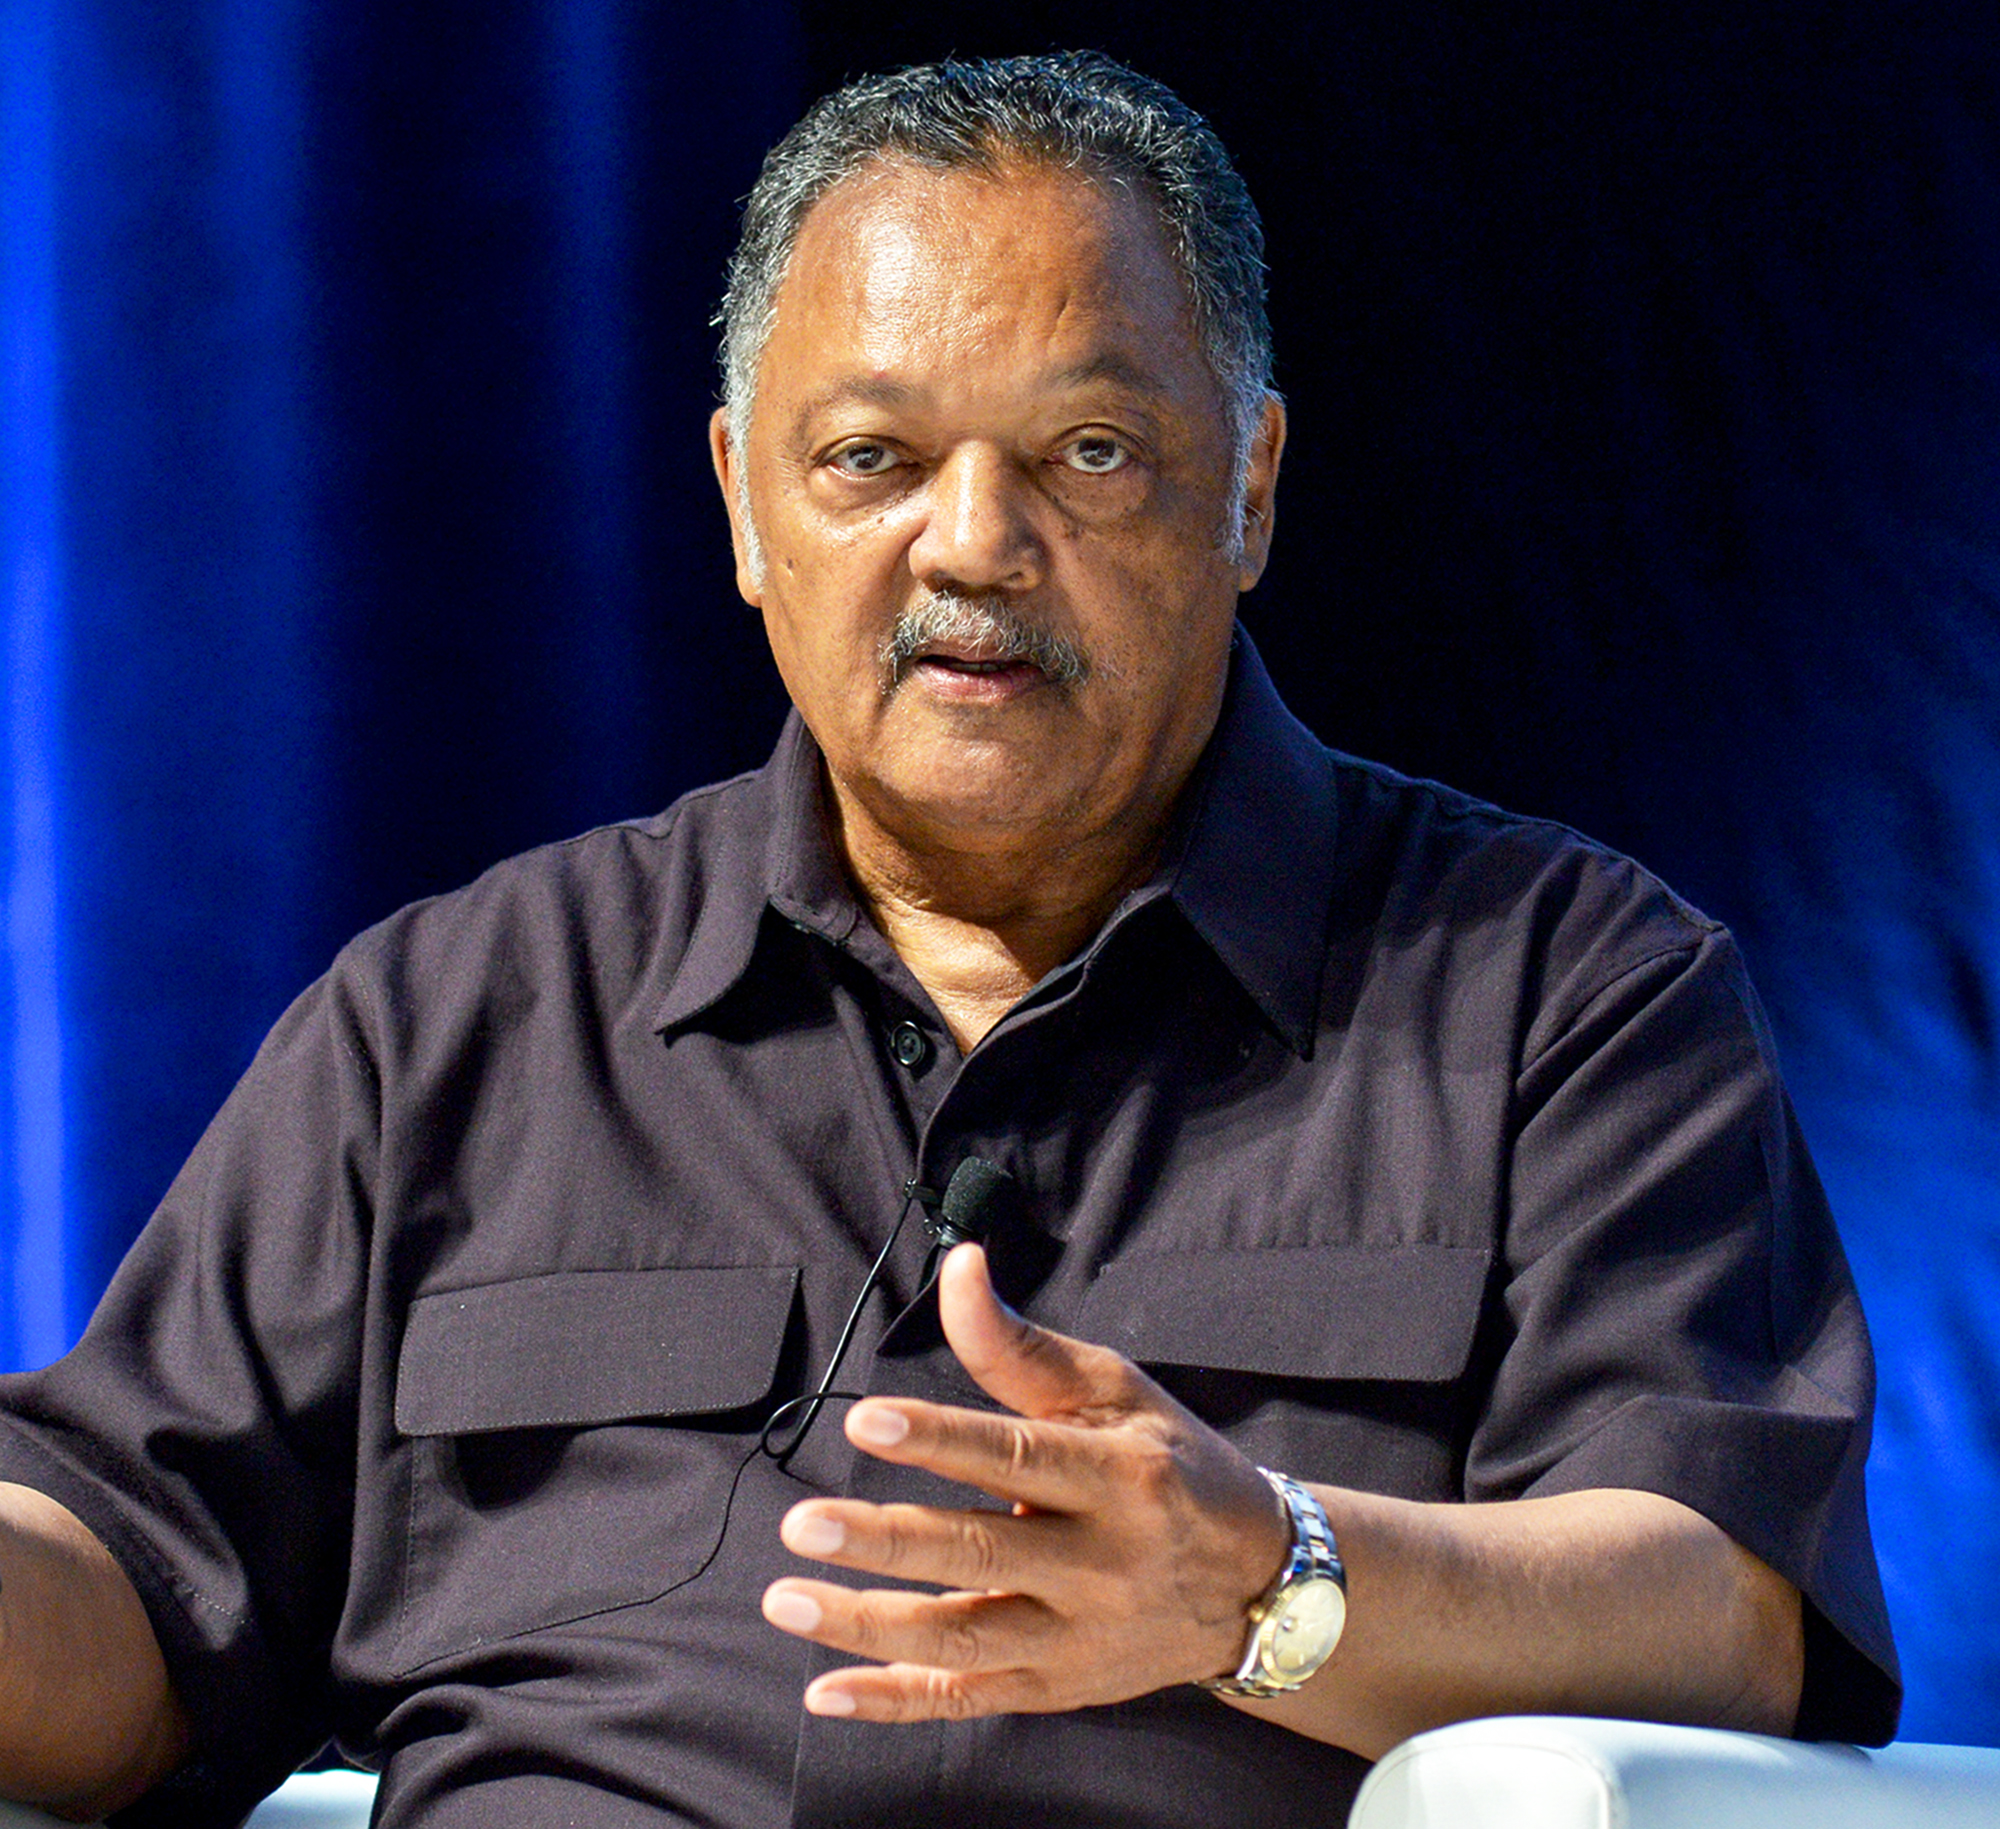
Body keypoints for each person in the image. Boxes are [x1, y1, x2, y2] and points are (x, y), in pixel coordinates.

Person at [0, 51, 1896, 1829]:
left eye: (1088, 450)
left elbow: (1722, 1607)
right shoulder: (447, 1026)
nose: (972, 541)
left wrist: (1264, 1576)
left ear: (1249, 486)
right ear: (745, 504)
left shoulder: (1564, 992)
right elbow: (138, 1592)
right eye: (870, 458)